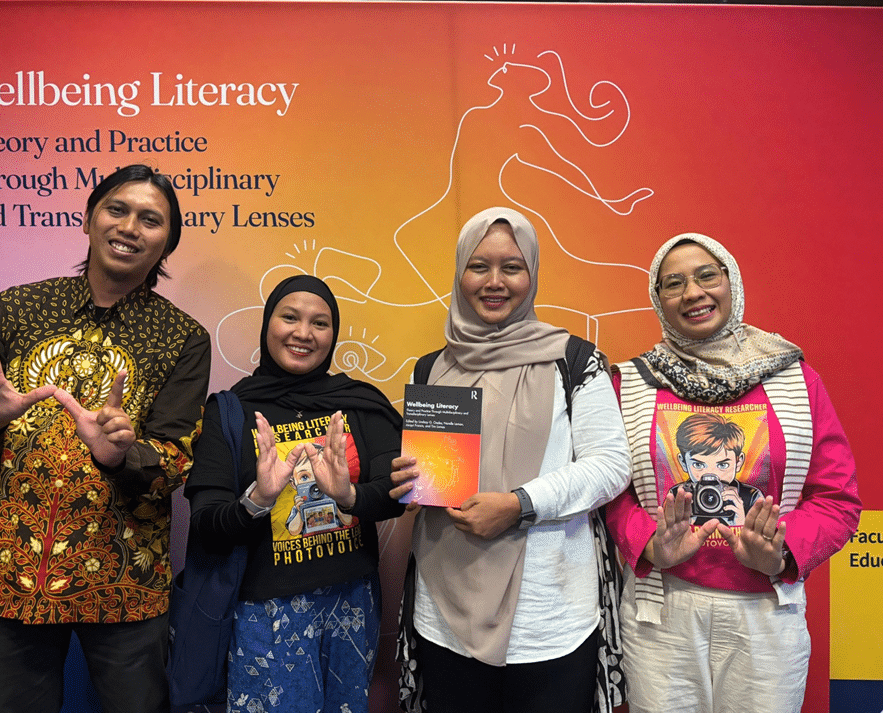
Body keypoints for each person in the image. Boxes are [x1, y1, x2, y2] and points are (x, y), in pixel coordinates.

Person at [0, 164, 211, 713]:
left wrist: (122, 455)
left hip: (124, 576)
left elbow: (177, 461)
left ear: (167, 244)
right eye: (117, 210)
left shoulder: (183, 338)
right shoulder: (15, 309)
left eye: (150, 220)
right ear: (88, 219)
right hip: (9, 566)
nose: (129, 227)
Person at [605, 233, 860, 713]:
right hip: (660, 614)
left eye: (707, 276)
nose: (693, 293)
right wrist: (650, 543)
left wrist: (781, 551)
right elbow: (611, 493)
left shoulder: (794, 379)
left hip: (766, 613)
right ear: (658, 299)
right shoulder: (631, 383)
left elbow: (837, 499)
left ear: (731, 282)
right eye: (673, 283)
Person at [390, 207, 631, 713]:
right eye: (478, 266)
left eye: (512, 267)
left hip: (548, 618)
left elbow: (610, 465)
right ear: (460, 273)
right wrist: (411, 482)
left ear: (532, 274)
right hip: (444, 613)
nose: (494, 282)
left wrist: (520, 504)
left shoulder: (574, 360)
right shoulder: (432, 368)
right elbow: (433, 475)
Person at [185, 274, 407, 713]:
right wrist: (258, 500)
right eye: (290, 317)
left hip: (351, 606)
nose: (303, 333)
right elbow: (206, 522)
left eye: (319, 323)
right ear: (268, 323)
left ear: (333, 334)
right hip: (264, 615)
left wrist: (348, 496)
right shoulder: (230, 410)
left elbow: (396, 492)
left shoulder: (359, 403)